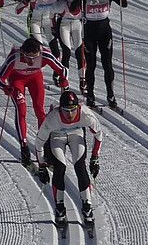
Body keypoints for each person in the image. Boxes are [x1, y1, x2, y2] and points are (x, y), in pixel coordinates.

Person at [33, 91, 101, 233]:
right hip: (57, 136)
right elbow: (39, 143)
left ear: (78, 107)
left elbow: (99, 135)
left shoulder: (86, 114)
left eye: (73, 110)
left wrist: (95, 157)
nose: (70, 114)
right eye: (65, 110)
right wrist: (41, 166)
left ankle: (87, 207)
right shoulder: (52, 118)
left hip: (76, 134)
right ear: (60, 109)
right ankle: (59, 207)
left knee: (80, 166)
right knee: (60, 166)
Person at [0, 37, 69, 166]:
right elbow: (0, 78)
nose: (31, 61)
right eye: (28, 57)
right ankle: (24, 146)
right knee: (21, 110)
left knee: (40, 111)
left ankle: (45, 145)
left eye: (34, 57)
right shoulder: (15, 56)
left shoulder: (45, 54)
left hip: (35, 78)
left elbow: (63, 69)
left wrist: (64, 79)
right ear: (22, 52)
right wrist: (6, 88)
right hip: (17, 80)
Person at [73, 0, 128, 108]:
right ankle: (90, 95)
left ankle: (110, 94)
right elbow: (73, 10)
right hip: (89, 34)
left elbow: (123, 4)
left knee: (107, 65)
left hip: (105, 34)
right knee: (91, 66)